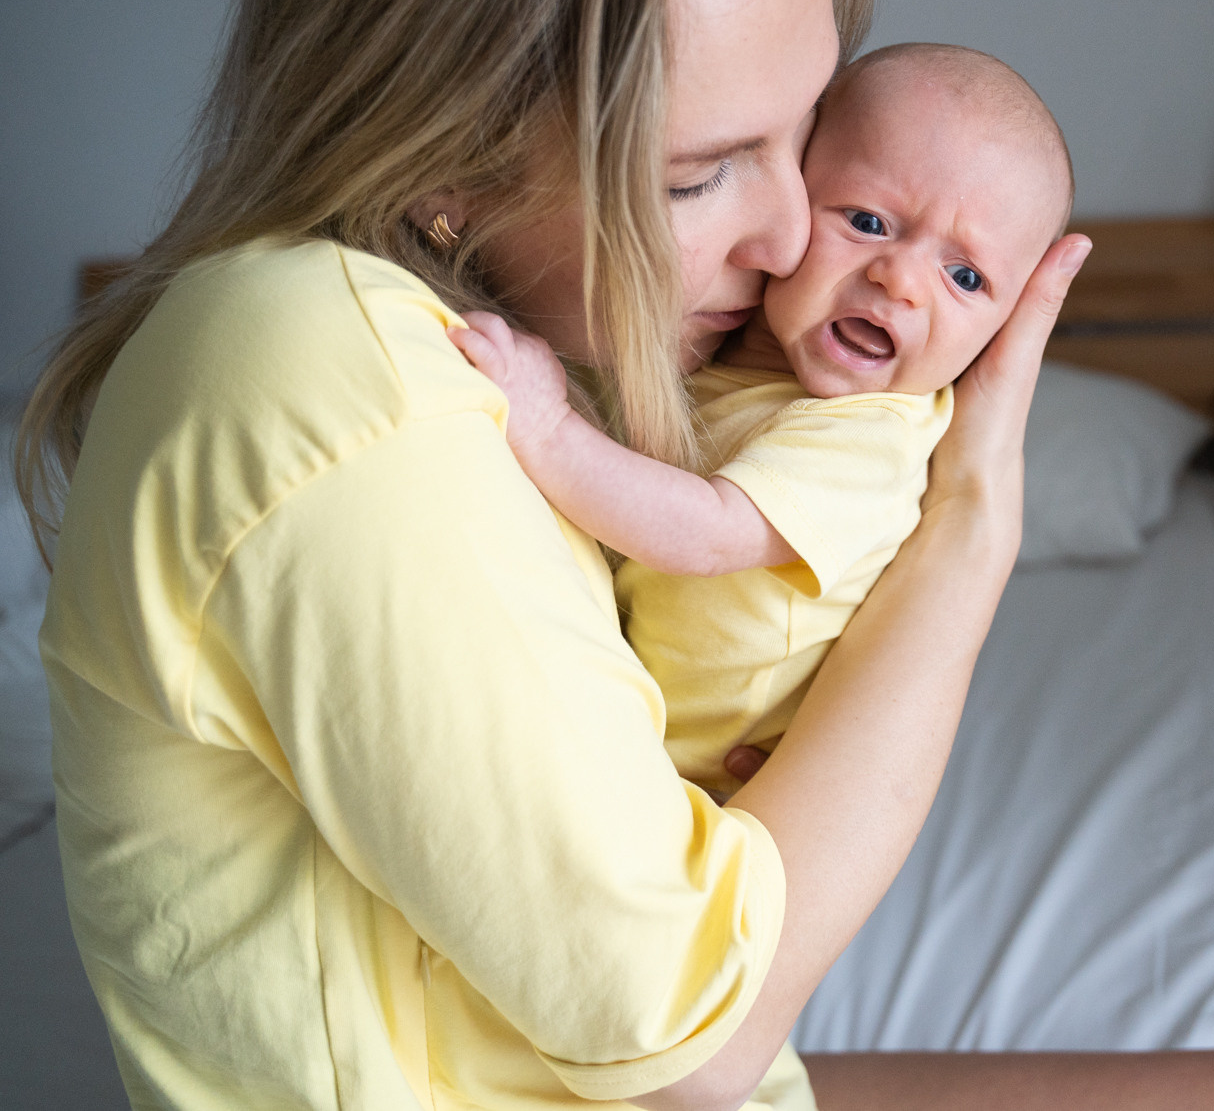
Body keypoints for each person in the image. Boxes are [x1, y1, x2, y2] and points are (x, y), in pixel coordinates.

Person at [14, 0, 1214, 1108]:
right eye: (700, 172)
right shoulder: (327, 377)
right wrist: (968, 534)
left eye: (804, 140)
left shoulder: (506, 338)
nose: (787, 242)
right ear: (442, 160)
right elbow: (690, 1045)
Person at [450, 42, 1072, 797]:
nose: (900, 279)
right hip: (620, 713)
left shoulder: (873, 437)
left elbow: (704, 533)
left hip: (689, 774)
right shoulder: (728, 350)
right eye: (868, 220)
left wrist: (549, 429)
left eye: (966, 276)